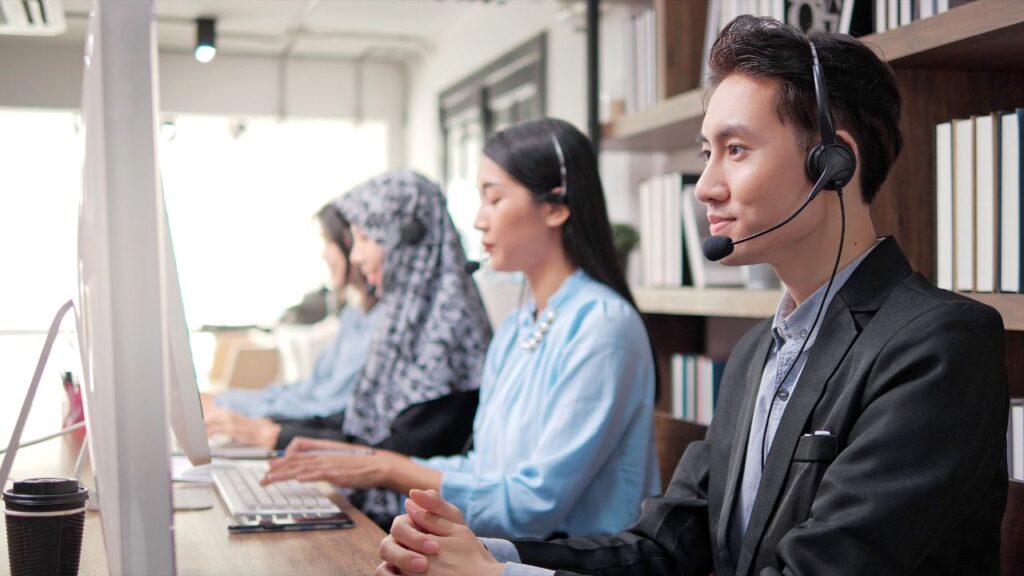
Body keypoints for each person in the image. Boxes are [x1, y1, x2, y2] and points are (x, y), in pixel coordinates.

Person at [376, 16, 1009, 576]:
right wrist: (486, 555)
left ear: (832, 163)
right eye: (707, 154)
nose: (704, 187)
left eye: (736, 150)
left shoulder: (939, 346)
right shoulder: (759, 350)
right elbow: (667, 548)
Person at [263, 119, 660, 539]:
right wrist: (363, 461)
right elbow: (484, 469)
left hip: (568, 563)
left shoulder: (602, 327)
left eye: (494, 199)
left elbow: (531, 505)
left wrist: (385, 467)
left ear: (556, 207)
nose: (478, 221)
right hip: (508, 552)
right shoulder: (516, 327)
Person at [274, 170, 493, 527]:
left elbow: (404, 450)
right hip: (386, 518)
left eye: (364, 238)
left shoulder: (451, 326)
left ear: (404, 238)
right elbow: (366, 434)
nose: (356, 256)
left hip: (412, 524)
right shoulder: (402, 317)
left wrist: (287, 440)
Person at [201, 204, 380, 449]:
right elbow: (309, 391)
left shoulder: (381, 326)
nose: (323, 255)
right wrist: (227, 401)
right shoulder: (353, 316)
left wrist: (234, 408)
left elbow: (327, 406)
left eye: (328, 242)